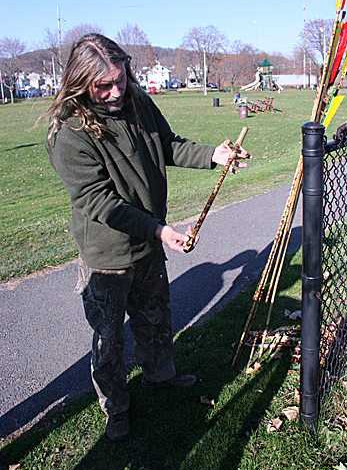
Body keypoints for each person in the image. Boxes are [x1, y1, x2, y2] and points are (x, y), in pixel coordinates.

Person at [45, 34, 251, 442]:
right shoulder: (68, 132)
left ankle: (159, 377)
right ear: (79, 81)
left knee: (155, 318)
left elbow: (168, 145)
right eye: (104, 86)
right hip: (107, 253)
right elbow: (99, 202)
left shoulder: (137, 101)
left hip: (150, 242)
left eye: (120, 79)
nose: (116, 91)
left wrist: (215, 155)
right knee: (109, 338)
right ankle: (116, 408)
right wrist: (161, 230)